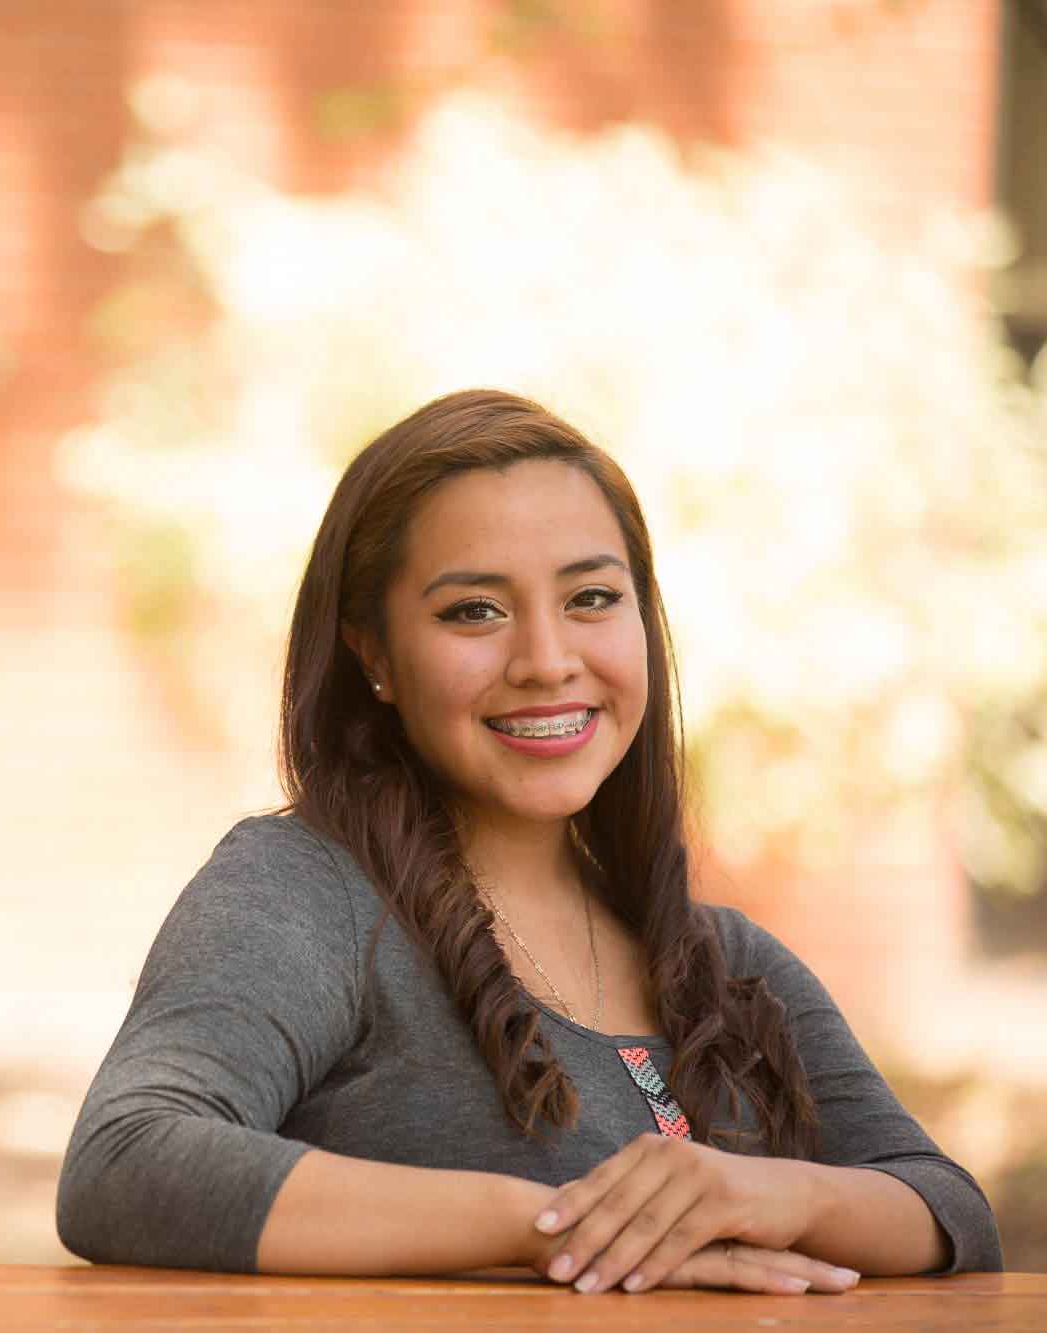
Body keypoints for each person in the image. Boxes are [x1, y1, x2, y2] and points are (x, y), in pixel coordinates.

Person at [55, 389, 1003, 1293]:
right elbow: (129, 1156)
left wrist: (780, 1194)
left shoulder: (728, 961)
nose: (548, 660)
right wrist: (559, 1226)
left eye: (591, 597)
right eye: (475, 610)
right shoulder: (304, 892)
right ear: (372, 652)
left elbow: (946, 1210)